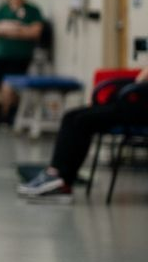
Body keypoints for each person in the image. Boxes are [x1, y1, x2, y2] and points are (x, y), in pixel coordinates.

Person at [18, 68, 147, 200]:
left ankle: (61, 180)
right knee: (71, 116)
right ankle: (56, 175)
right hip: (135, 100)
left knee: (82, 121)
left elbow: (142, 79)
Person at [0, 0, 44, 123]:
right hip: (0, 55)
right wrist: (18, 29)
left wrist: (6, 29)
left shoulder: (32, 10)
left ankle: (8, 115)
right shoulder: (2, 9)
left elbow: (35, 32)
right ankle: (3, 111)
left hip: (20, 57)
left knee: (9, 85)